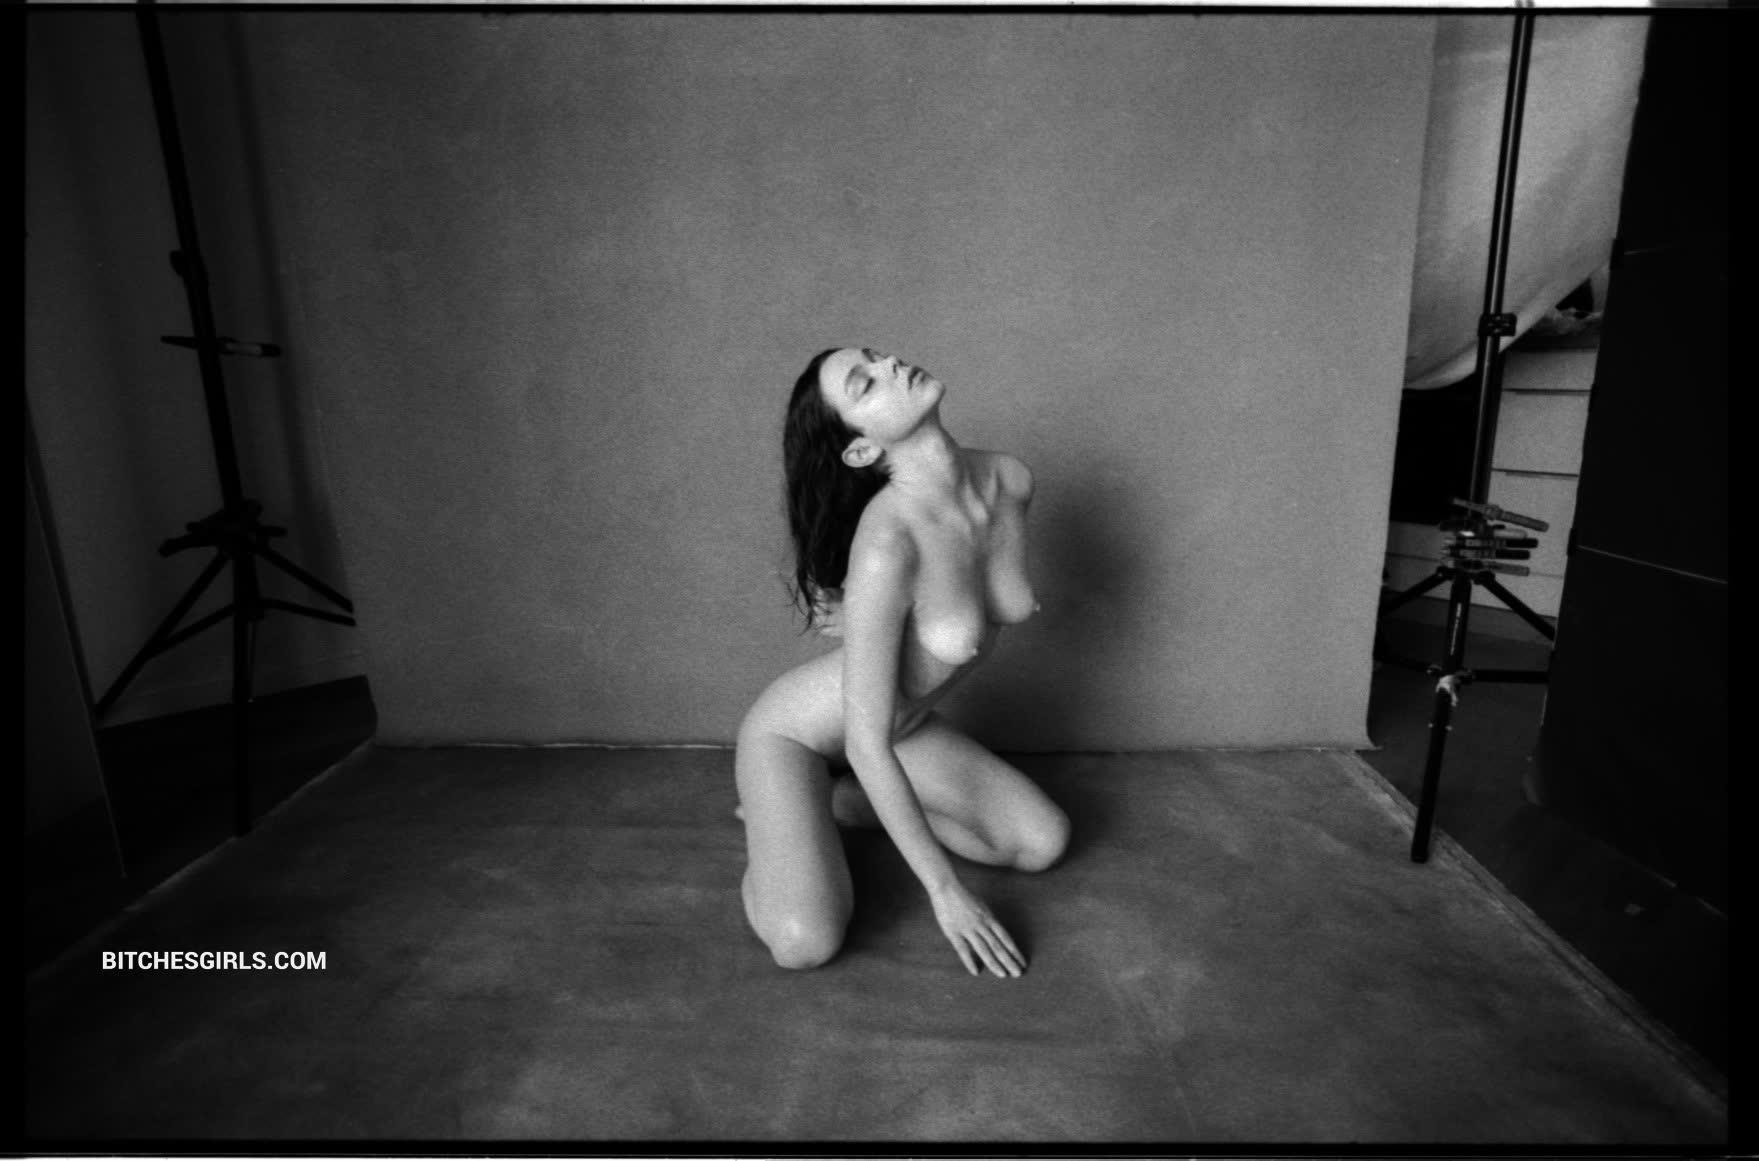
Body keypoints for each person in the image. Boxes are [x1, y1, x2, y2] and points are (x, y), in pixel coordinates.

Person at [735, 347, 1070, 978]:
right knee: (806, 942)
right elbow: (863, 742)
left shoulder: (1009, 480)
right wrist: (946, 893)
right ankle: (777, 813)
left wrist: (873, 612)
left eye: (876, 356)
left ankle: (840, 805)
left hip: (901, 728)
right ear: (862, 450)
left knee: (1042, 841)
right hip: (797, 738)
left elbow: (976, 593)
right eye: (865, 384)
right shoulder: (887, 542)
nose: (890, 363)